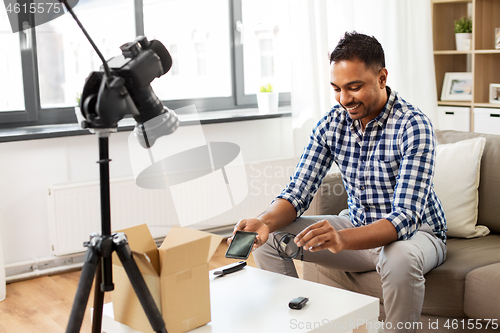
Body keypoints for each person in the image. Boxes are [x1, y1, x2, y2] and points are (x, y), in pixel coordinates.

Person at [230, 31, 447, 333]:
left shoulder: (413, 125)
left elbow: (404, 219)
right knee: (269, 240)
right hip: (358, 227)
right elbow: (297, 192)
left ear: (382, 78)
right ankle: (298, 324)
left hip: (416, 235)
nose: (344, 99)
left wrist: (343, 239)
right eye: (337, 89)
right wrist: (264, 221)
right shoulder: (332, 124)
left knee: (397, 257)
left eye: (354, 87)